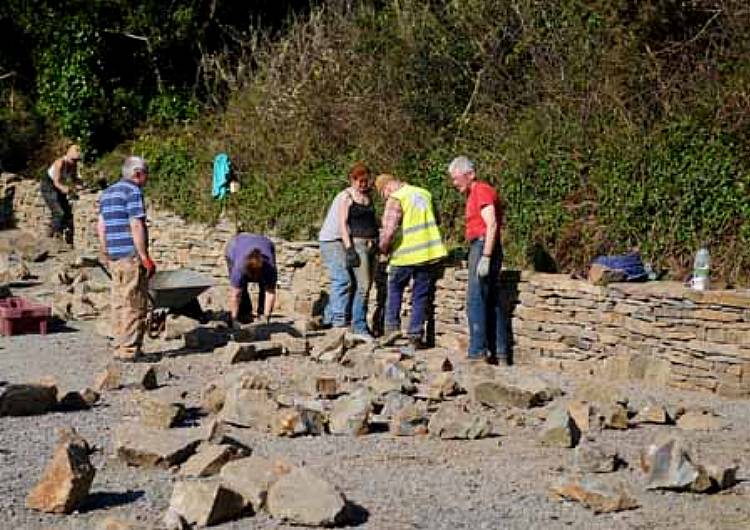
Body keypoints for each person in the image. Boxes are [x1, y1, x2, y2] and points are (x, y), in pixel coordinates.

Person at [376, 173, 447, 351]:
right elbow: (437, 220)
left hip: (405, 255)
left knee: (394, 290)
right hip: (427, 254)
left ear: (387, 187)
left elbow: (389, 230)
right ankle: (415, 336)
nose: (385, 198)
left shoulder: (396, 198)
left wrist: (382, 249)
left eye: (383, 194)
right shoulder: (425, 193)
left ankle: (391, 328)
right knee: (420, 295)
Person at [448, 156, 509, 365]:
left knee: (476, 299)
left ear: (470, 175)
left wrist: (486, 256)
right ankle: (500, 353)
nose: (454, 183)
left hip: (483, 245)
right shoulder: (475, 193)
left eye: (456, 178)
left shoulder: (481, 190)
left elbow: (491, 225)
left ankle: (478, 352)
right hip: (484, 245)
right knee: (491, 300)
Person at [97, 156, 156, 361]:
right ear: (137, 173)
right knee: (135, 303)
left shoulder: (107, 193)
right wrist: (144, 256)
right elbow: (136, 224)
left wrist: (106, 253)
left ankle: (118, 346)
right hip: (130, 255)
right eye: (146, 174)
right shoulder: (132, 191)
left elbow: (101, 226)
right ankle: (130, 350)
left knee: (118, 302)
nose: (147, 179)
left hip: (114, 255)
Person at [319, 162, 379, 339]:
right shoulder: (345, 197)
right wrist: (350, 248)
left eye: (365, 181)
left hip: (352, 240)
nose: (363, 184)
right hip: (333, 239)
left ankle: (329, 315)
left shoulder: (367, 197)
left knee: (352, 281)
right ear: (352, 180)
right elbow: (342, 224)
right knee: (343, 279)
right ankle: (338, 321)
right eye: (359, 181)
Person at [225, 233, 278, 326]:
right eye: (252, 275)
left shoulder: (269, 267)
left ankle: (262, 314)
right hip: (235, 244)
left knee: (264, 283)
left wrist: (266, 317)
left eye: (257, 275)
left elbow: (270, 292)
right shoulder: (239, 268)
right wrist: (233, 319)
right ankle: (244, 312)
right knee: (241, 286)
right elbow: (236, 294)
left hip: (264, 242)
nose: (254, 279)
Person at [41, 144, 83, 243]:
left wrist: (80, 184)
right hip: (49, 186)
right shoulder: (60, 163)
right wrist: (65, 189)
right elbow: (56, 182)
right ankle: (54, 236)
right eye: (73, 159)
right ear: (68, 155)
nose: (75, 162)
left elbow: (74, 178)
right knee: (59, 212)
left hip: (58, 186)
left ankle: (56, 231)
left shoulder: (73, 165)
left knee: (67, 212)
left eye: (76, 160)